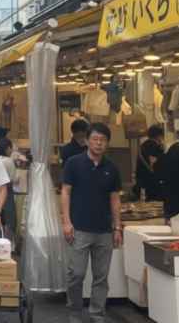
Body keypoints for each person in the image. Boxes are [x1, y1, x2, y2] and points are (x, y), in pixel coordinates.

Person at [62, 122, 122, 323]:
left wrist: (117, 227)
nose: (99, 143)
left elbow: (115, 198)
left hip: (104, 230)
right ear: (87, 141)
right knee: (76, 274)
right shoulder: (73, 163)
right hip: (79, 228)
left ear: (107, 144)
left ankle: (97, 313)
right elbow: (66, 192)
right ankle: (75, 312)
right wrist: (66, 222)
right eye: (95, 139)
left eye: (103, 140)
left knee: (101, 277)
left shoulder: (112, 168)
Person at [0, 138, 18, 247]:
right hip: (7, 191)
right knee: (9, 218)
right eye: (11, 148)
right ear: (7, 148)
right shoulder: (8, 161)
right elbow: (13, 178)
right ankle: (7, 244)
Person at [134, 124, 165, 201]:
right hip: (153, 185)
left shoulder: (142, 146)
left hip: (142, 183)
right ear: (159, 136)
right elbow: (157, 166)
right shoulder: (155, 147)